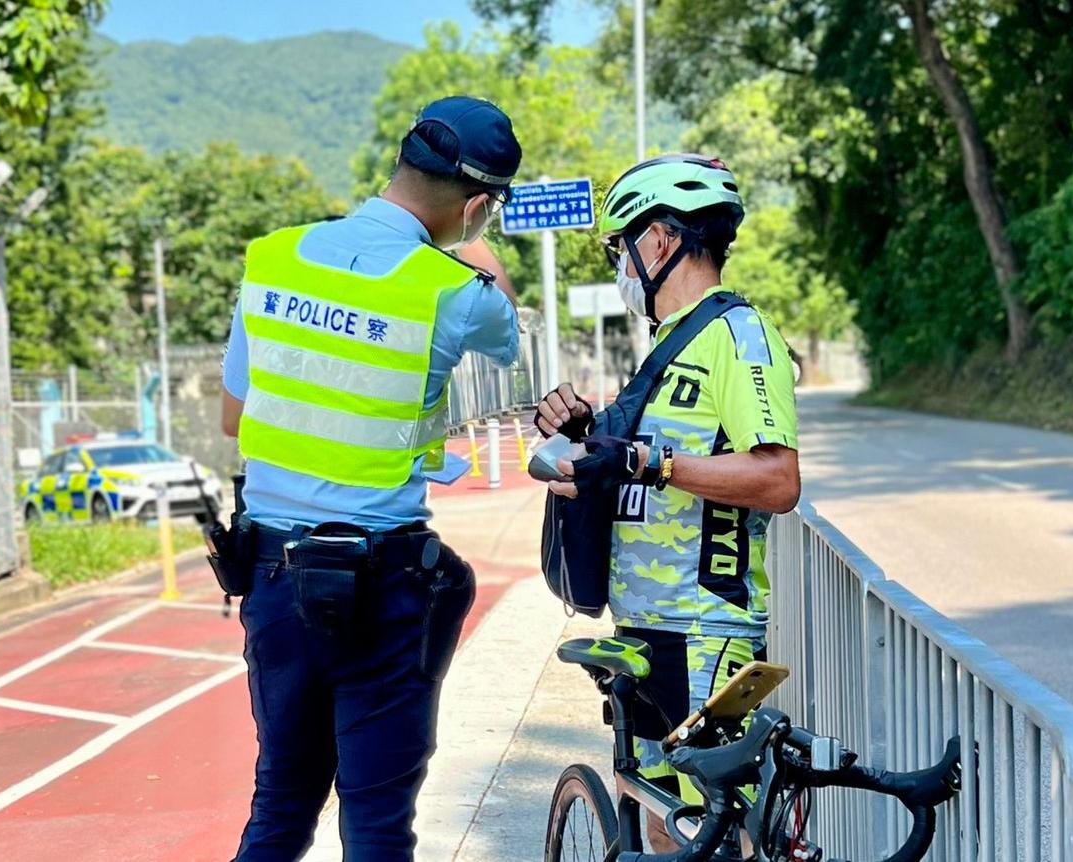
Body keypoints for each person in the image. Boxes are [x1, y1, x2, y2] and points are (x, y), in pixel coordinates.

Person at [219, 95, 522, 861]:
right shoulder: (454, 291)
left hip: (272, 574)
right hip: (382, 584)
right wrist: (475, 250)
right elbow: (509, 335)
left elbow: (235, 416)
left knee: (281, 803)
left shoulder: (271, 259)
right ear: (479, 205)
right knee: (378, 821)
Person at [533, 154, 801, 850]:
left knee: (722, 834)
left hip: (707, 633)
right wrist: (589, 439)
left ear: (658, 240)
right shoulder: (670, 345)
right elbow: (641, 465)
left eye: (622, 246)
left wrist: (656, 462)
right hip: (648, 627)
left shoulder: (738, 337)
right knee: (662, 823)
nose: (622, 265)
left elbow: (777, 480)